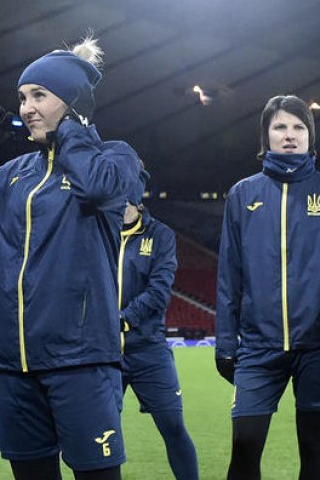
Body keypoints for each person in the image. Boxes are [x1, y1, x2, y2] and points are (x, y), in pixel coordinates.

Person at [0, 36, 140, 480]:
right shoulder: (12, 174)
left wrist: (74, 127)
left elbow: (96, 188)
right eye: (22, 97)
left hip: (82, 361)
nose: (26, 107)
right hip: (15, 365)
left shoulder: (117, 159)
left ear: (71, 101)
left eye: (40, 96)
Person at [215, 94, 320, 480]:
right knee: (245, 445)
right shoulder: (242, 194)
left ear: (310, 137)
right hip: (258, 346)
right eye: (280, 126)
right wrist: (226, 344)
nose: (290, 135)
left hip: (318, 344)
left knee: (314, 448)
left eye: (299, 127)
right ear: (266, 136)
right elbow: (230, 275)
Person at [116, 167, 199, 480]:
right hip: (104, 353)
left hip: (148, 349)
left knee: (173, 427)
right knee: (101, 435)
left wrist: (124, 320)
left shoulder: (160, 235)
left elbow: (159, 290)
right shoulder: (97, 229)